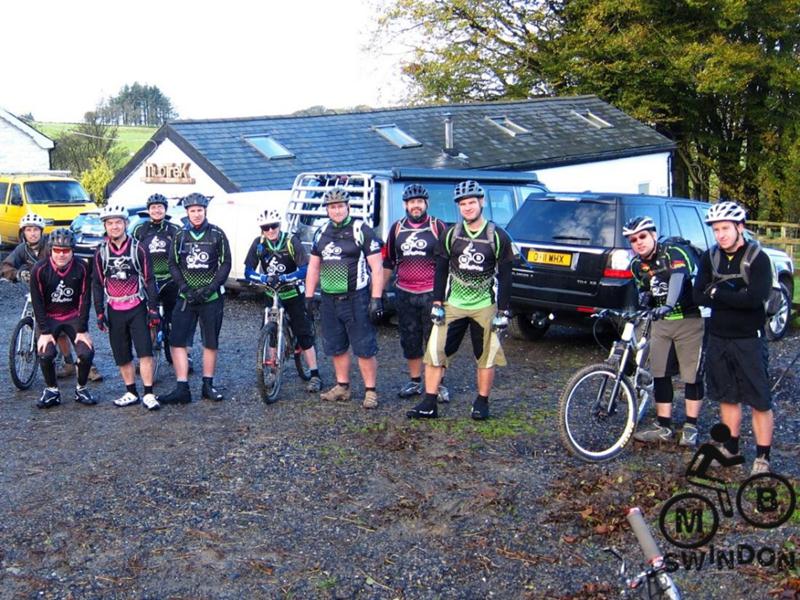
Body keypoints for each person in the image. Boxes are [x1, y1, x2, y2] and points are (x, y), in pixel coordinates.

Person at [407, 180, 515, 420]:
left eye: (471, 203)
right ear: (458, 207)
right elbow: (441, 270)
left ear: (481, 203)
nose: (467, 208)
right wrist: (437, 303)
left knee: (486, 356)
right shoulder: (451, 233)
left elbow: (506, 276)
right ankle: (429, 402)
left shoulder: (497, 235)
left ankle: (482, 402)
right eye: (463, 204)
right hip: (453, 304)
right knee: (435, 352)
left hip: (484, 306)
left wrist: (504, 311)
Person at [693, 201, 775, 475]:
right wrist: (732, 295)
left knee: (759, 399)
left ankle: (763, 457)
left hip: (749, 339)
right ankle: (731, 448)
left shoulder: (757, 258)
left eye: (725, 228)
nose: (721, 235)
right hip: (718, 337)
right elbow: (698, 295)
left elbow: (755, 299)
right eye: (716, 229)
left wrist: (717, 294)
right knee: (727, 397)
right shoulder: (709, 257)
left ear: (740, 227)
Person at [624, 216, 705, 447]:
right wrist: (644, 301)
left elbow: (678, 278)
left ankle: (691, 425)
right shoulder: (637, 265)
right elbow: (644, 290)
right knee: (660, 373)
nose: (638, 243)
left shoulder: (673, 252)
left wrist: (668, 304)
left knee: (691, 375)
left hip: (689, 319)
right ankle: (664, 425)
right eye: (633, 240)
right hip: (661, 323)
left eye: (642, 236)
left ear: (653, 234)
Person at [304, 188, 384, 409]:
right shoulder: (321, 232)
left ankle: (370, 391)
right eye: (332, 207)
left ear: (348, 207)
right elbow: (313, 267)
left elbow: (376, 267)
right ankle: (342, 387)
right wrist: (308, 296)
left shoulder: (361, 230)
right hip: (329, 299)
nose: (336, 210)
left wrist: (376, 299)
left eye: (340, 206)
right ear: (327, 210)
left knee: (364, 347)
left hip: (356, 298)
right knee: (336, 345)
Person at [2, 213, 99, 381]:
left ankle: (88, 366)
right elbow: (6, 265)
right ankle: (68, 363)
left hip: (61, 291)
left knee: (71, 327)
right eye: (28, 230)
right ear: (23, 232)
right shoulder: (21, 249)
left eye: (35, 230)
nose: (32, 233)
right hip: (39, 291)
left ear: (41, 231)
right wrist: (17, 273)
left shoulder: (51, 244)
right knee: (51, 328)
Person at [158, 192, 231, 404]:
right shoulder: (180, 235)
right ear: (187, 212)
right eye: (192, 211)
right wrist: (184, 287)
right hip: (185, 297)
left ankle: (208, 385)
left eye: (200, 210)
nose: (197, 214)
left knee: (210, 341)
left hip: (211, 298)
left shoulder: (217, 234)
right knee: (177, 340)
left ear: (205, 211)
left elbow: (226, 263)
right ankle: (182, 387)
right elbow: (172, 263)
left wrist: (211, 287)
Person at [244, 207, 322, 398]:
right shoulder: (259, 244)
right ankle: (271, 371)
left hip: (293, 293)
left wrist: (287, 277)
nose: (270, 230)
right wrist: (262, 278)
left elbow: (306, 268)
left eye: (274, 226)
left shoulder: (290, 241)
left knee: (303, 333)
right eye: (266, 227)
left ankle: (315, 374)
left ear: (279, 225)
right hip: (272, 294)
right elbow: (247, 270)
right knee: (269, 332)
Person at [383, 184, 449, 402]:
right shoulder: (397, 228)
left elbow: (448, 260)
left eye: (419, 202)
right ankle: (415, 381)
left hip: (432, 293)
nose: (416, 206)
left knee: (435, 340)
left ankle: (438, 384)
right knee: (410, 339)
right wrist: (380, 291)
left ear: (426, 204)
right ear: (406, 205)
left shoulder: (437, 226)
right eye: (412, 202)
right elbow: (389, 260)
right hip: (405, 292)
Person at [93, 204, 160, 410]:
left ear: (126, 224)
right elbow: (97, 283)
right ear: (105, 226)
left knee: (145, 352)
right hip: (115, 309)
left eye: (118, 222)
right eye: (110, 223)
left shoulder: (138, 248)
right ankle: (130, 391)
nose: (114, 227)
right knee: (122, 354)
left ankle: (148, 393)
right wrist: (99, 312)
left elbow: (149, 280)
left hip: (137, 307)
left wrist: (152, 309)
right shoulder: (101, 252)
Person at [29, 228, 96, 408]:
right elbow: (37, 303)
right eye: (57, 250)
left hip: (72, 315)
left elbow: (85, 299)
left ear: (72, 250)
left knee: (86, 352)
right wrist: (44, 331)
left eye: (66, 251)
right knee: (45, 353)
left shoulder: (81, 266)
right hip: (49, 317)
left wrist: (82, 330)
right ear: (50, 249)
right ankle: (52, 390)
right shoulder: (39, 269)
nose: (61, 254)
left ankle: (81, 388)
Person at [132, 193, 182, 368]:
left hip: (170, 280)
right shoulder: (140, 229)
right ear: (148, 210)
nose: (157, 210)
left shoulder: (174, 229)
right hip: (148, 280)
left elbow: (181, 255)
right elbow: (133, 254)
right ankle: (146, 357)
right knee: (147, 319)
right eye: (153, 207)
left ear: (165, 209)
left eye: (160, 207)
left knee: (174, 319)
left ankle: (178, 353)